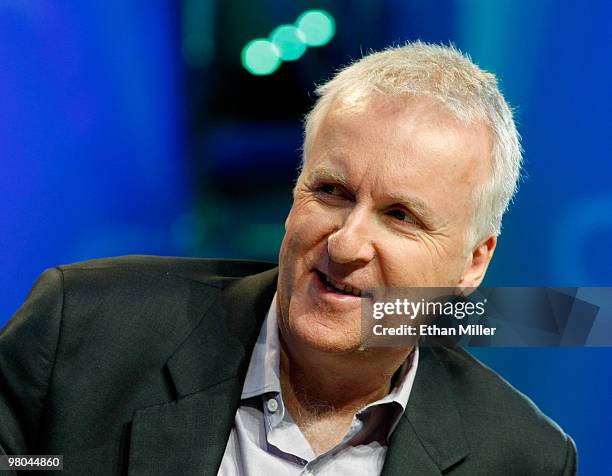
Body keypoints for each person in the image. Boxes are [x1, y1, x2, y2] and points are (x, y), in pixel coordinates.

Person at [0, 42, 576, 475]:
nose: (346, 245)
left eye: (400, 216)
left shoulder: (525, 457)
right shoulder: (82, 328)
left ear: (474, 264)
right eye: (330, 191)